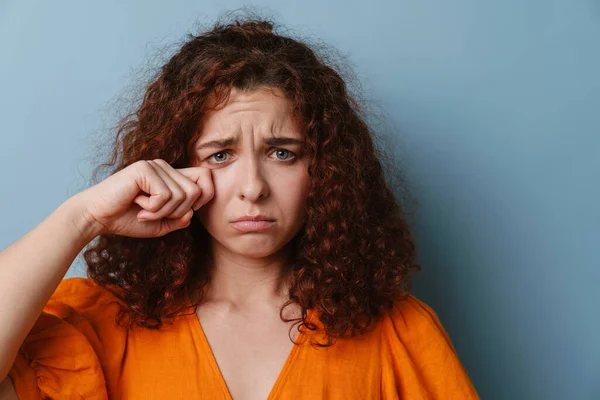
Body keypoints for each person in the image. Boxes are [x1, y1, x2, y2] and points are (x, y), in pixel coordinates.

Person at [0, 13, 479, 400]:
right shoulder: (102, 324)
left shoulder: (399, 332)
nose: (253, 187)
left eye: (283, 153)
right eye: (221, 155)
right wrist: (82, 218)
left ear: (327, 171)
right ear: (175, 168)